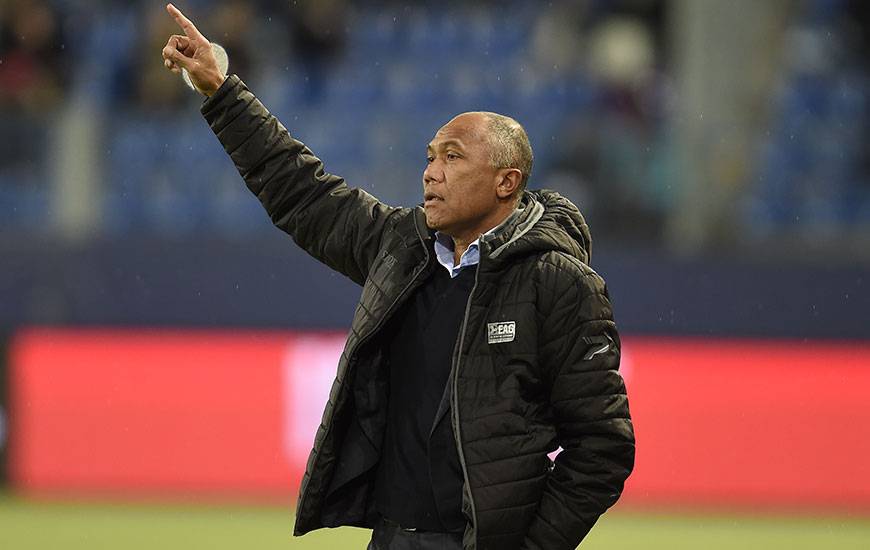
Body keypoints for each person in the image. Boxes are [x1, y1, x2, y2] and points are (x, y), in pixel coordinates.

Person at [161, 4, 634, 549]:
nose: (430, 172)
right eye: (430, 157)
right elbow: (302, 192)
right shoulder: (402, 248)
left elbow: (603, 447)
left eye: (452, 158)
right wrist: (221, 92)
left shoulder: (558, 283)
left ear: (506, 182)